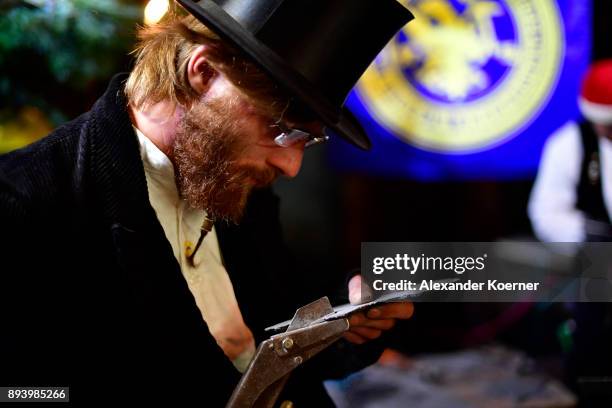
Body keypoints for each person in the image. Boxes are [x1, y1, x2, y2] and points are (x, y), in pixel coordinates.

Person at [0, 0, 415, 406]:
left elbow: (275, 344)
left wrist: (341, 325)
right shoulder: (22, 201)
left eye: (308, 139)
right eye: (283, 130)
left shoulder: (232, 177)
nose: (291, 166)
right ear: (202, 73)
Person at [528, 59, 612, 407]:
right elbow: (545, 212)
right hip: (595, 261)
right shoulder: (570, 145)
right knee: (593, 339)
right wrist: (592, 236)